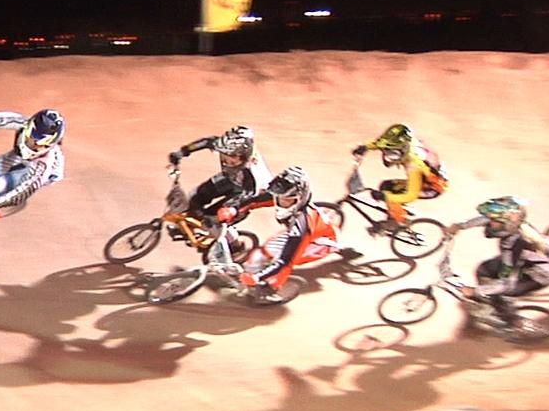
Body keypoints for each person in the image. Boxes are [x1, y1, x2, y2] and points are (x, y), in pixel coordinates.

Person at [216, 165, 339, 295]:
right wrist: (233, 209)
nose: (280, 203)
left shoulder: (301, 225)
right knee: (263, 254)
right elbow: (253, 200)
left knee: (277, 259)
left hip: (318, 244)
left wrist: (258, 278)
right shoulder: (285, 195)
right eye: (278, 198)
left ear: (300, 198)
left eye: (286, 200)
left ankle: (272, 289)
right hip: (312, 231)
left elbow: (286, 262)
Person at [446, 196, 549, 324]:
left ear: (507, 224)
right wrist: (460, 226)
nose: (490, 224)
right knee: (483, 270)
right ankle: (488, 303)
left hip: (539, 276)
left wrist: (476, 291)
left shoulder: (513, 246)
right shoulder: (514, 226)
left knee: (500, 290)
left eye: (495, 221)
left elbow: (506, 283)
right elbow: (485, 219)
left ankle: (510, 319)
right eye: (492, 219)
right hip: (529, 262)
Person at [352, 123, 448, 233]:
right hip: (427, 177)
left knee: (392, 194)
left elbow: (410, 195)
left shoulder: (414, 165)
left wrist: (385, 196)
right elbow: (382, 143)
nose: (388, 156)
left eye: (392, 154)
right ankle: (401, 211)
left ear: (404, 150)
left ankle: (396, 223)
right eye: (387, 152)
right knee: (387, 186)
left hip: (433, 187)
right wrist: (365, 147)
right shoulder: (401, 143)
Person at [169, 125, 273, 222]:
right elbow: (206, 142)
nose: (226, 162)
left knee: (216, 218)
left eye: (232, 158)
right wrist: (182, 152)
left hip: (248, 193)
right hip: (231, 178)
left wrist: (233, 209)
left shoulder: (252, 174)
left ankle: (229, 236)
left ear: (245, 156)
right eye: (223, 156)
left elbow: (247, 200)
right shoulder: (226, 146)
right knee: (196, 196)